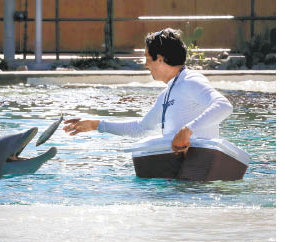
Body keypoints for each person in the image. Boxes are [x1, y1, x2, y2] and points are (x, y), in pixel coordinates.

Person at [63, 28, 233, 156]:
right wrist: (96, 125)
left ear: (159, 58)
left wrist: (187, 131)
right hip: (183, 175)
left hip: (201, 169)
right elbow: (141, 128)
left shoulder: (190, 80)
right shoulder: (168, 93)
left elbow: (223, 105)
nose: (146, 65)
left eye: (147, 58)